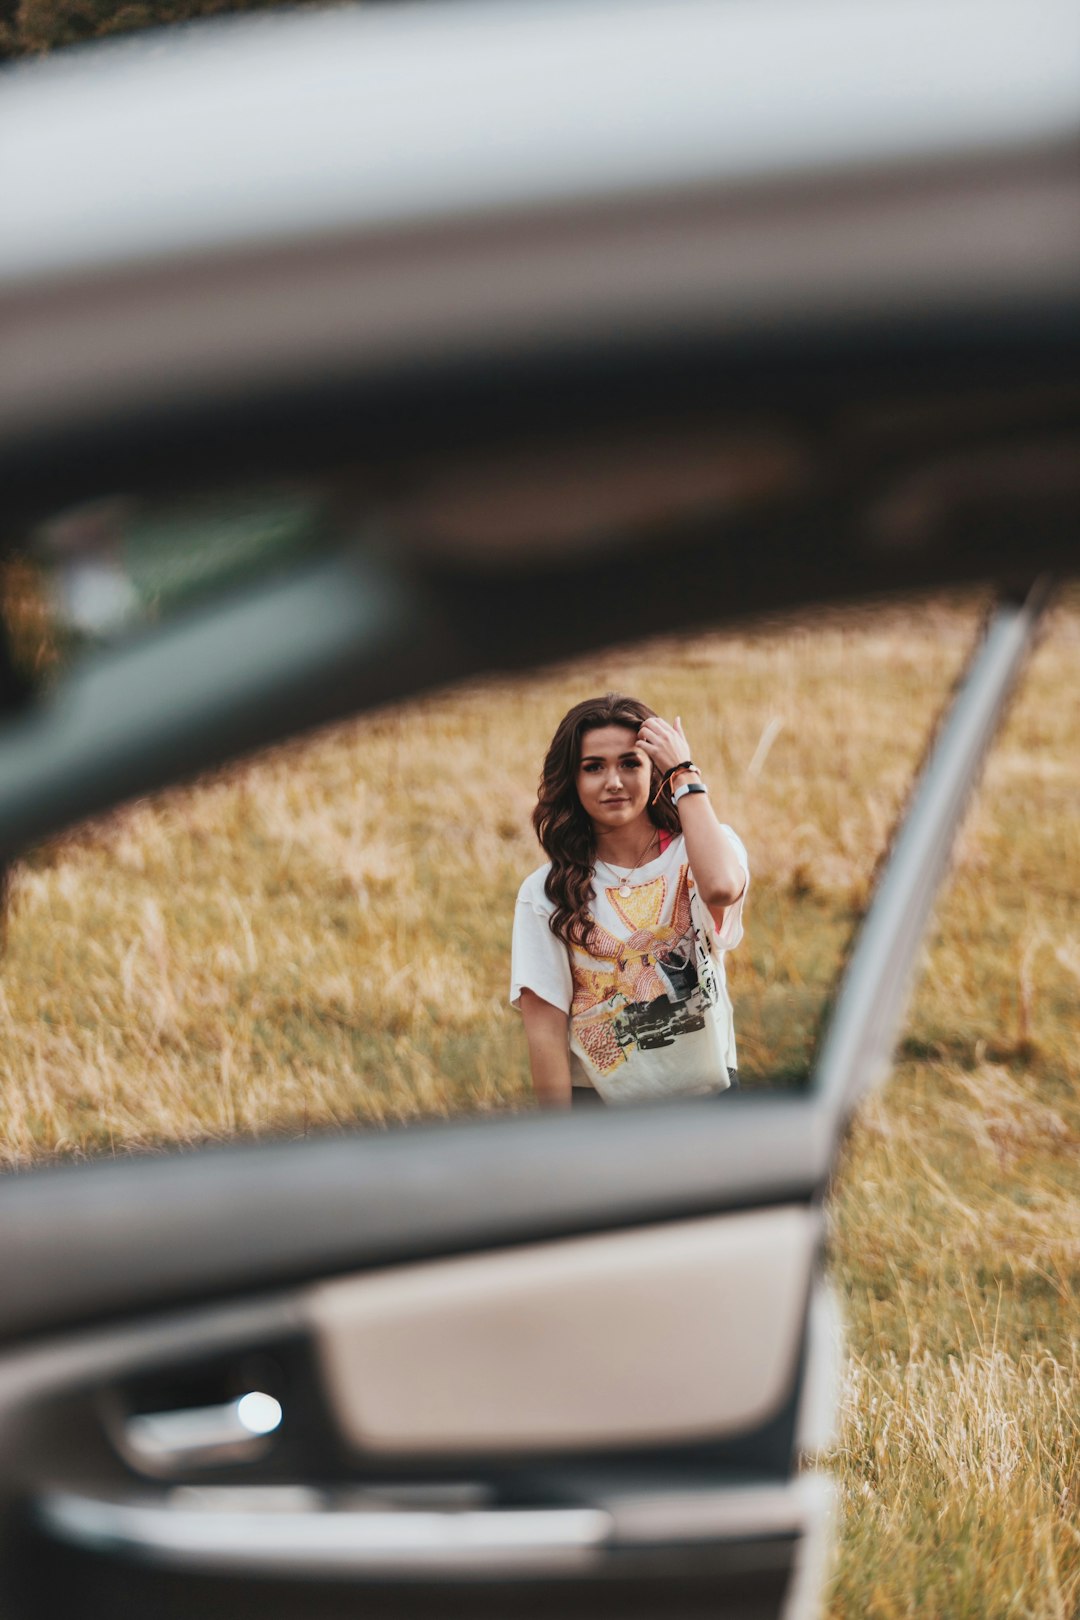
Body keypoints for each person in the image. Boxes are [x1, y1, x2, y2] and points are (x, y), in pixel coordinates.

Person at [511, 694, 749, 1107]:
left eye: (629, 763)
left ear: (654, 770)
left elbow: (722, 889)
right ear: (572, 780)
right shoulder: (545, 892)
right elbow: (545, 1031)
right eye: (593, 767)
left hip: (712, 1102)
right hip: (603, 1118)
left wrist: (684, 774)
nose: (614, 781)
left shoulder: (704, 847)